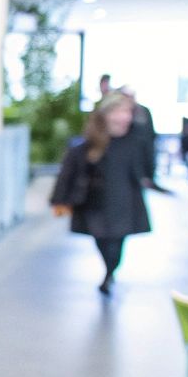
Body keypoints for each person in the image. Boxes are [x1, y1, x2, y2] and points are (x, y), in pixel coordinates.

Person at [51, 92, 152, 295]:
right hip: (95, 203)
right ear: (105, 114)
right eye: (118, 111)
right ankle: (109, 271)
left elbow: (147, 163)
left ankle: (109, 273)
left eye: (127, 112)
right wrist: (59, 200)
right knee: (102, 240)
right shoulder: (89, 145)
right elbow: (69, 173)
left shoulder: (135, 141)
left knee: (116, 243)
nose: (123, 117)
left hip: (124, 202)